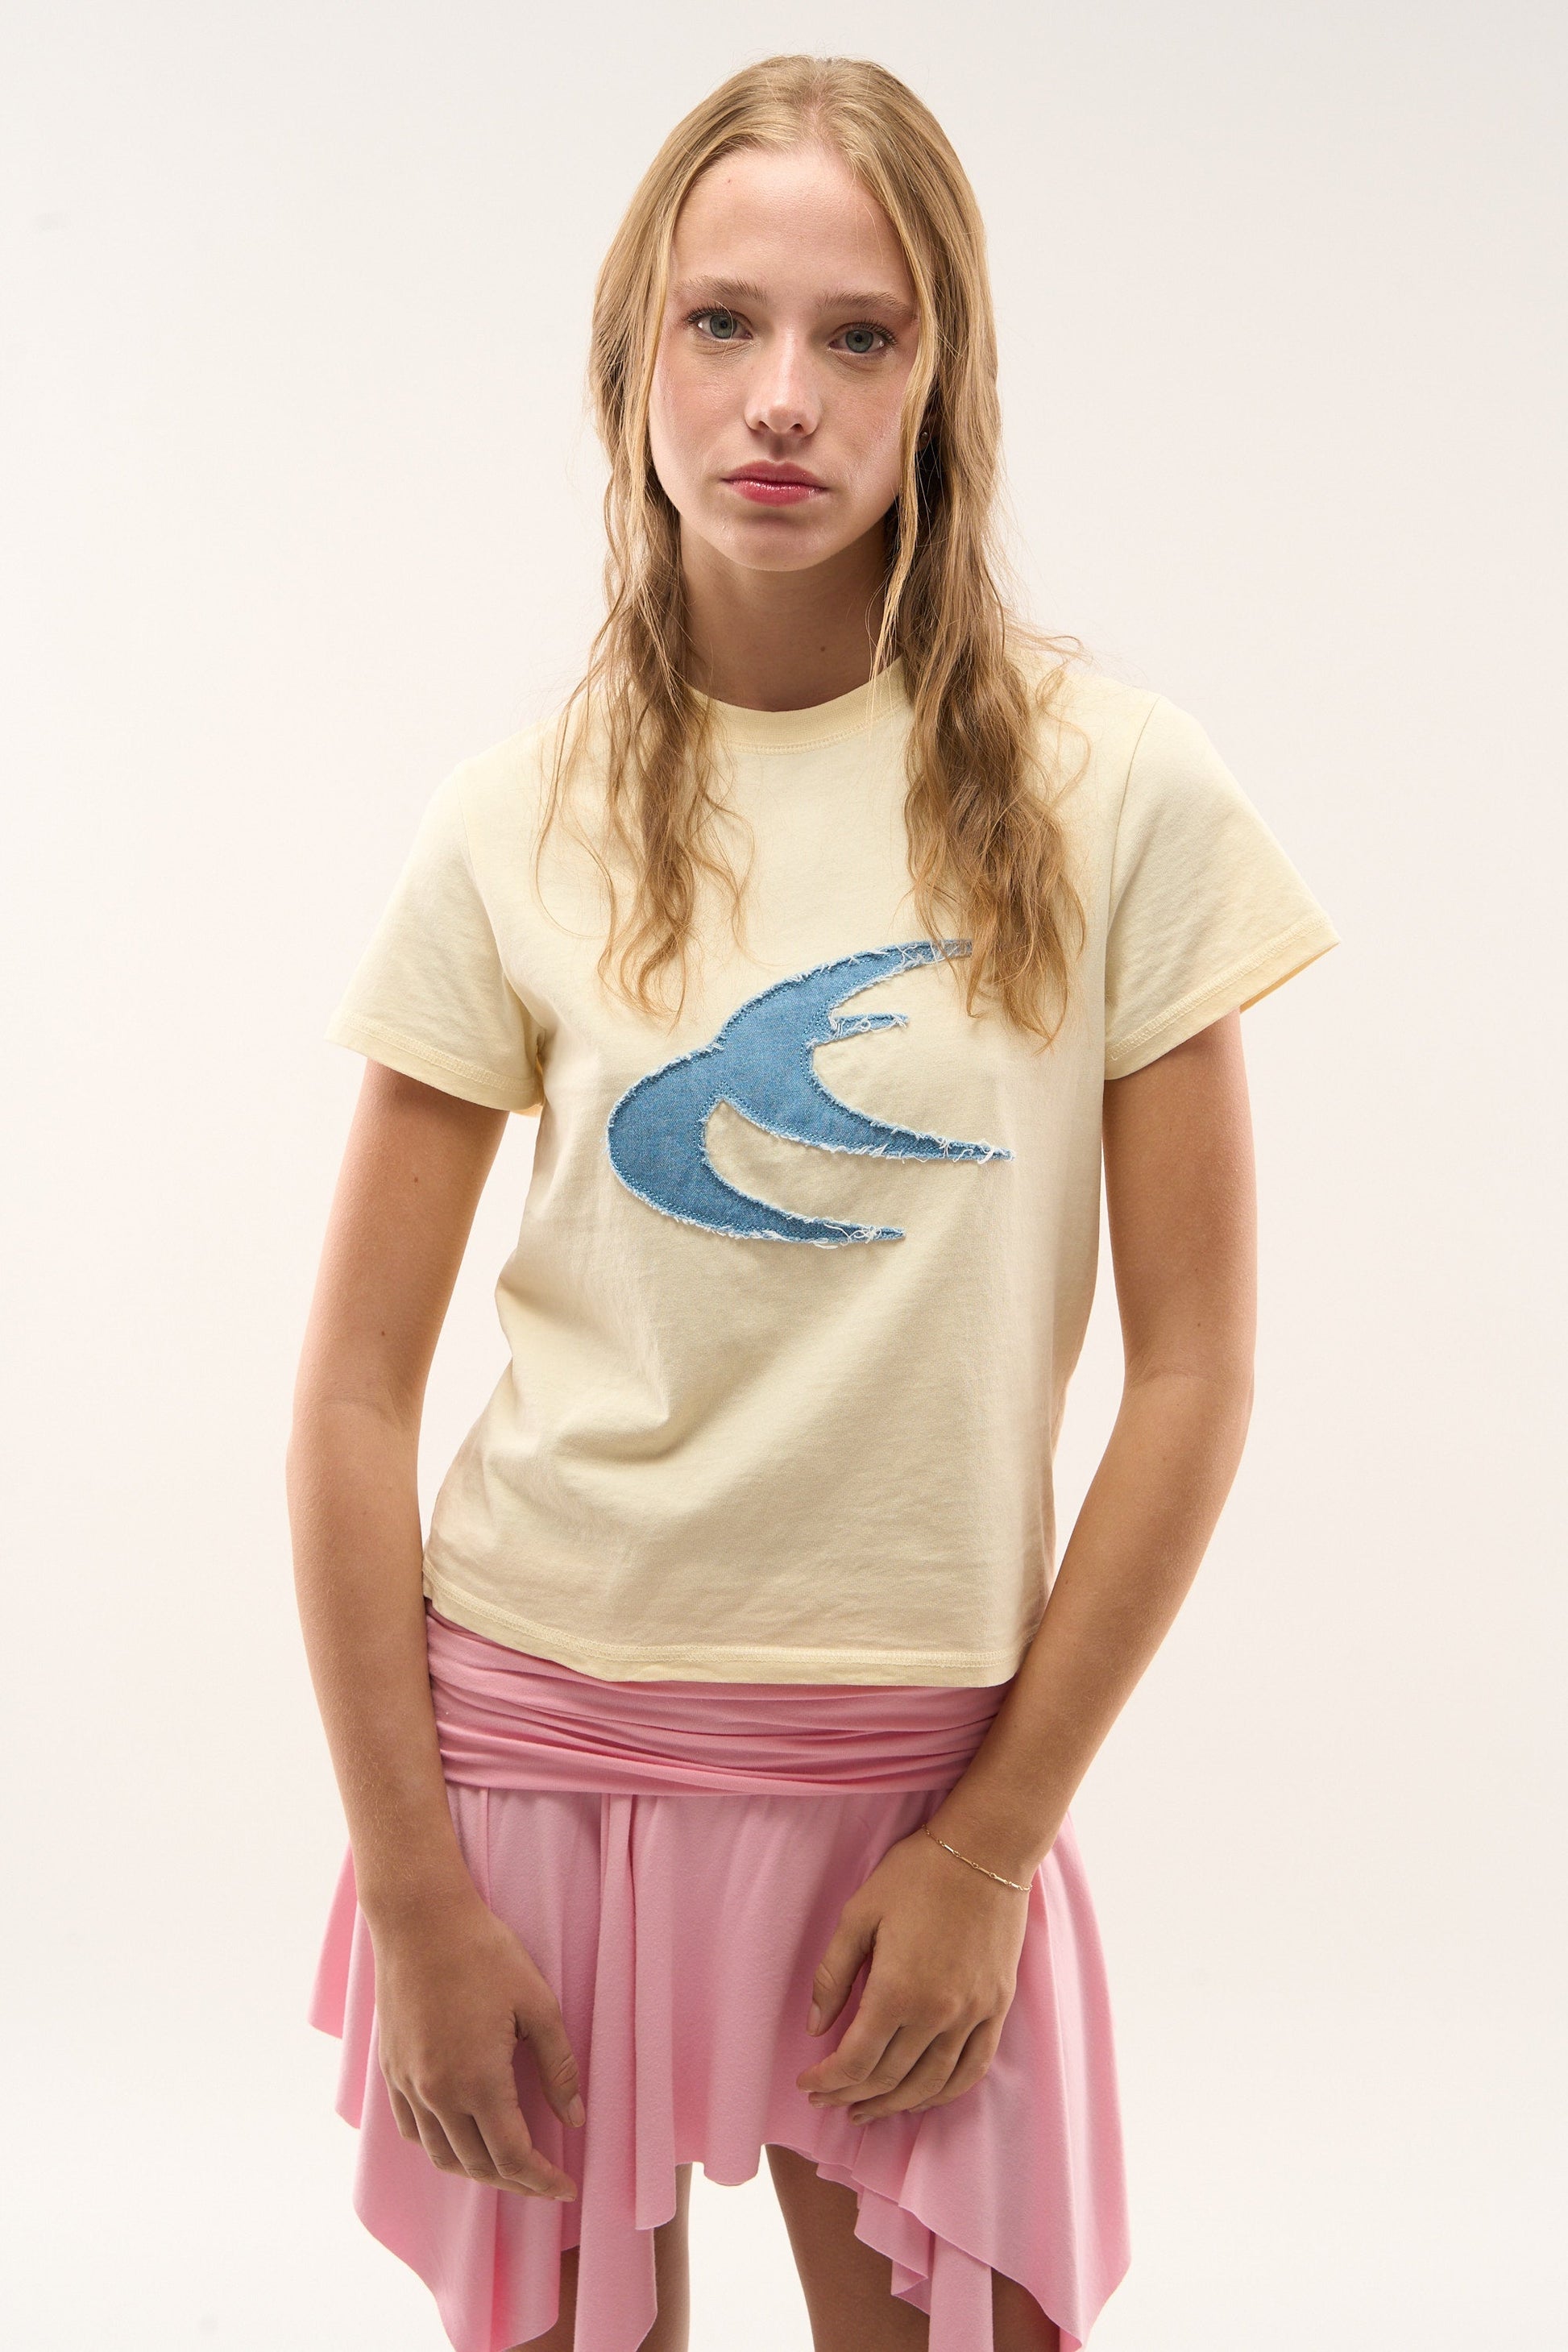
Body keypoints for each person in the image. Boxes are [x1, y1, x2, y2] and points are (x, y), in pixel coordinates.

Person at [288, 52, 1338, 2352]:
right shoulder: (511, 820)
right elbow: (354, 1392)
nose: (783, 395)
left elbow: (1196, 1373)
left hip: (915, 1781)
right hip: (531, 1754)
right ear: (629, 359)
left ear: (942, 379)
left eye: (859, 334)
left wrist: (988, 1844)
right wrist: (416, 1888)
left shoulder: (1115, 796)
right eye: (722, 322)